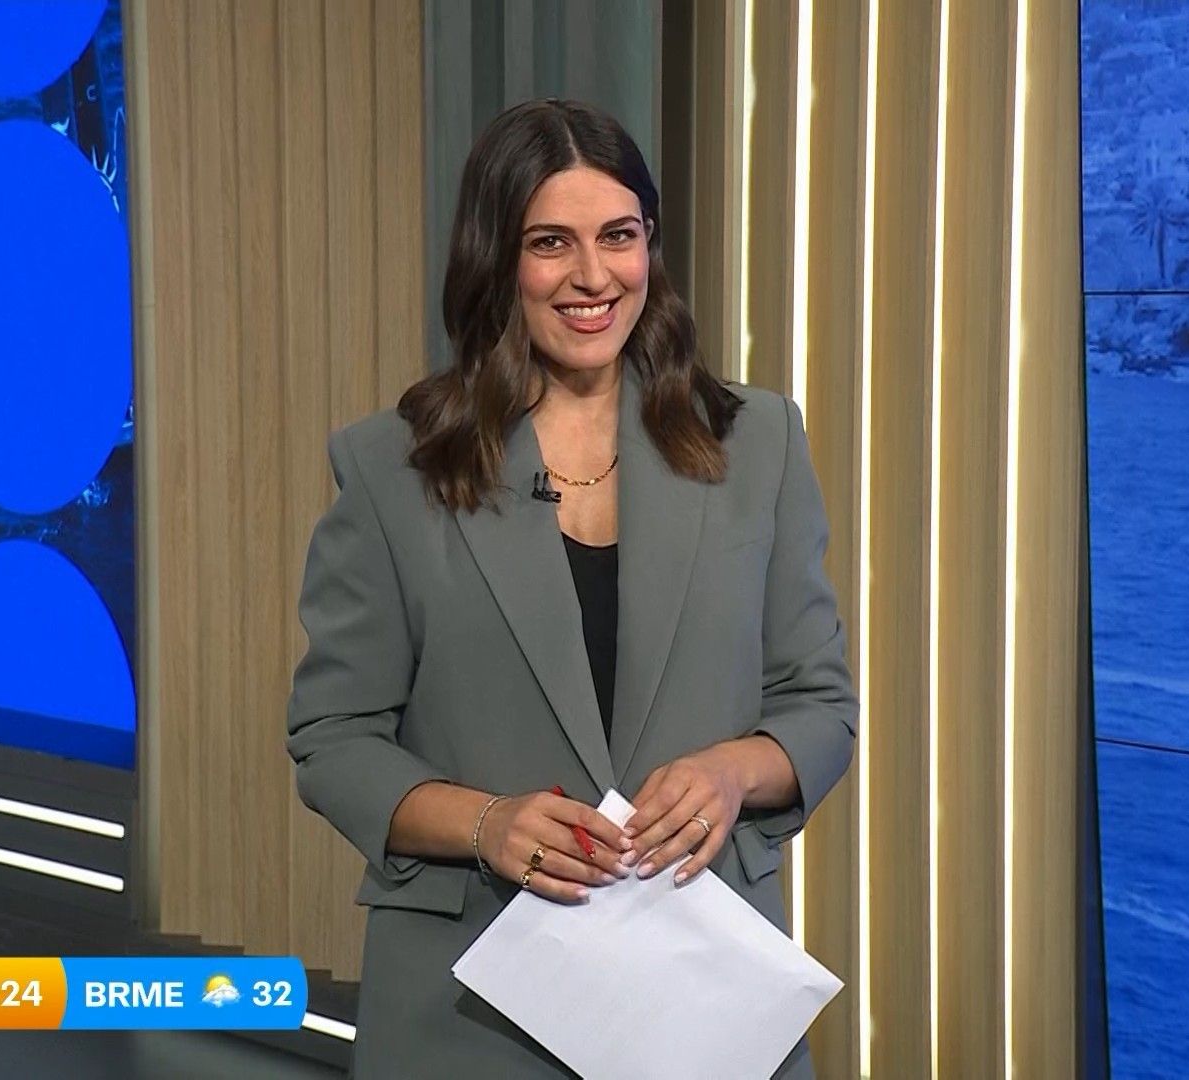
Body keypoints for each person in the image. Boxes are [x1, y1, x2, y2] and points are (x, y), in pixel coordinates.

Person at [286, 98, 858, 1079]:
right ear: (496, 260)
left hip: (699, 1004)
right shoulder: (392, 469)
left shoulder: (757, 442)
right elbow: (333, 740)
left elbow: (820, 707)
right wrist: (487, 823)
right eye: (551, 243)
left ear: (650, 248)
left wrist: (732, 771)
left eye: (619, 237)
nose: (593, 276)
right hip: (472, 1014)